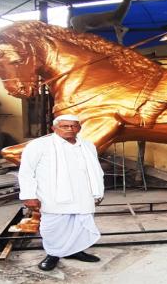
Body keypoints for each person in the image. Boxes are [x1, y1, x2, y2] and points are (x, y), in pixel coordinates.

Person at [18, 114, 105, 271]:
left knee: (80, 224)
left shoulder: (87, 145)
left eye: (74, 126)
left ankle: (76, 251)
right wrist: (29, 195)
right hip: (53, 196)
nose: (70, 129)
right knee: (52, 227)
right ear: (54, 128)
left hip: (83, 195)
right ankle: (53, 254)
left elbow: (96, 171)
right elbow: (26, 171)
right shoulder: (39, 145)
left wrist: (98, 192)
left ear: (79, 128)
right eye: (65, 126)